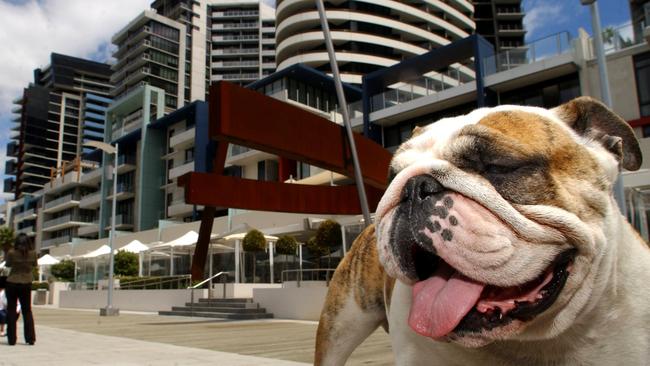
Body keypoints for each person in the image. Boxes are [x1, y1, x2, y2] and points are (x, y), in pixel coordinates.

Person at [5, 233, 36, 345]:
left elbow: (8, 265)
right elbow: (34, 265)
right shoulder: (32, 253)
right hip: (26, 282)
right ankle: (30, 338)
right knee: (27, 310)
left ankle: (12, 339)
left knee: (11, 310)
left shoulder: (12, 253)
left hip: (12, 281)